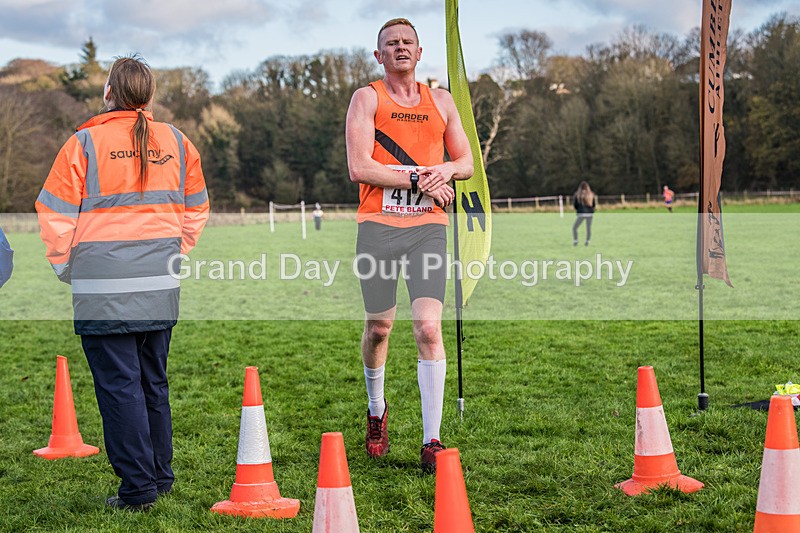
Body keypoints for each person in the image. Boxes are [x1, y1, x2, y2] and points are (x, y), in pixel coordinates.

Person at [35, 56, 209, 511]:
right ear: (149, 96)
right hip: (159, 281)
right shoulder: (177, 140)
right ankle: (159, 476)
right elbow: (197, 209)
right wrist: (175, 253)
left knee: (120, 387)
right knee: (153, 381)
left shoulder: (84, 143)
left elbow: (53, 213)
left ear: (109, 92)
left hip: (102, 285)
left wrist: (64, 265)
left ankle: (138, 489)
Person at [345, 18, 473, 473]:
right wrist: (421, 175)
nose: (399, 48)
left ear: (419, 53)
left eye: (407, 42)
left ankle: (432, 440)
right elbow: (360, 167)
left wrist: (448, 172)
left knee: (428, 329)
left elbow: (466, 161)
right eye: (390, 44)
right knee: (380, 328)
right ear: (379, 56)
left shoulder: (442, 101)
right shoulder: (367, 98)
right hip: (378, 227)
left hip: (427, 229)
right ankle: (376, 409)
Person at [572, 181, 596, 246]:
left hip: (581, 213)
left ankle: (575, 241)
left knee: (574, 228)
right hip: (590, 214)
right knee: (588, 228)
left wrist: (578, 209)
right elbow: (593, 205)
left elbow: (575, 205)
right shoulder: (591, 194)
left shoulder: (577, 195)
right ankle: (587, 241)